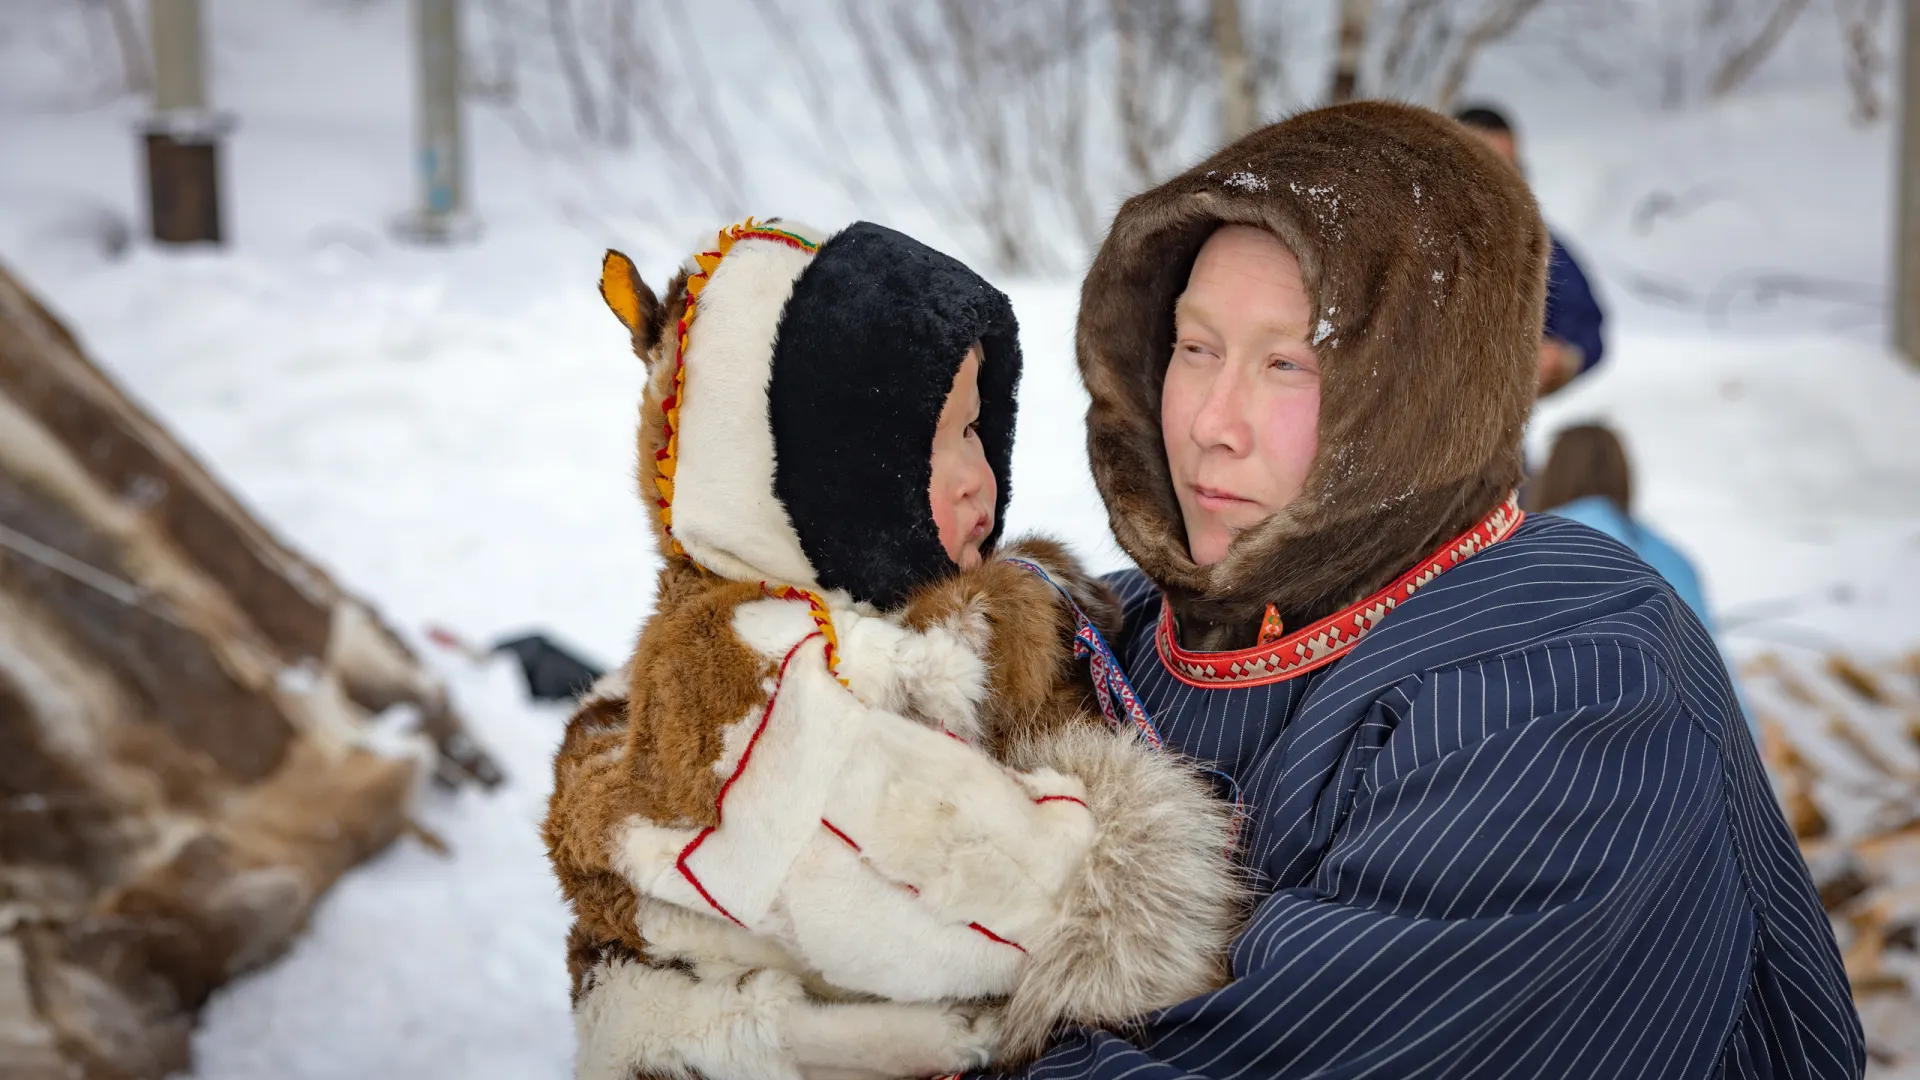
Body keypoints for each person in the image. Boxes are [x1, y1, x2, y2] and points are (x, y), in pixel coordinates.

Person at [1002, 100, 1858, 1077]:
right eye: (1195, 349)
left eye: (1288, 363)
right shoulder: (1111, 634)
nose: (1211, 422)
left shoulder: (1570, 674)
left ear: (1419, 390)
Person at [550, 221, 1242, 1080]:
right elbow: (1008, 910)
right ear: (817, 464)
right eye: (936, 436)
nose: (978, 476)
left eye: (980, 428)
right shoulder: (759, 679)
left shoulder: (816, 628)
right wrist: (1139, 859)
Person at [1456, 104, 1607, 397]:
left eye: (1511, 170)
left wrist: (1560, 358)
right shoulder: (1400, 245)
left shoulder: (1533, 246)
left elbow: (1587, 328)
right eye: (1481, 169)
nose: (1500, 185)